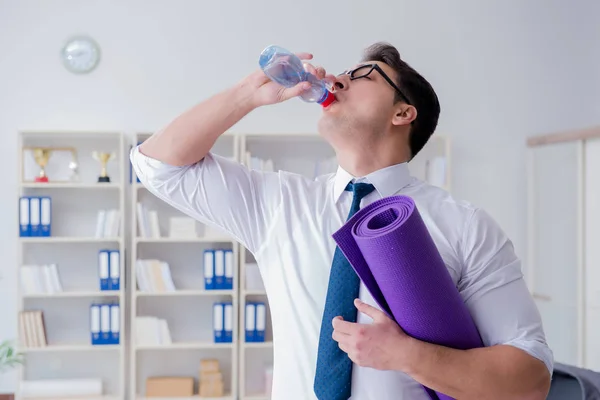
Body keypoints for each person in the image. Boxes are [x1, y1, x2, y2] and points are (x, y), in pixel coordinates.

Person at [131, 42, 553, 400]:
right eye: (341, 74)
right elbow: (157, 165)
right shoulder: (279, 203)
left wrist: (407, 356)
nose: (334, 81)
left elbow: (531, 378)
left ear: (403, 113)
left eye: (364, 76)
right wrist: (247, 94)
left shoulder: (464, 226)